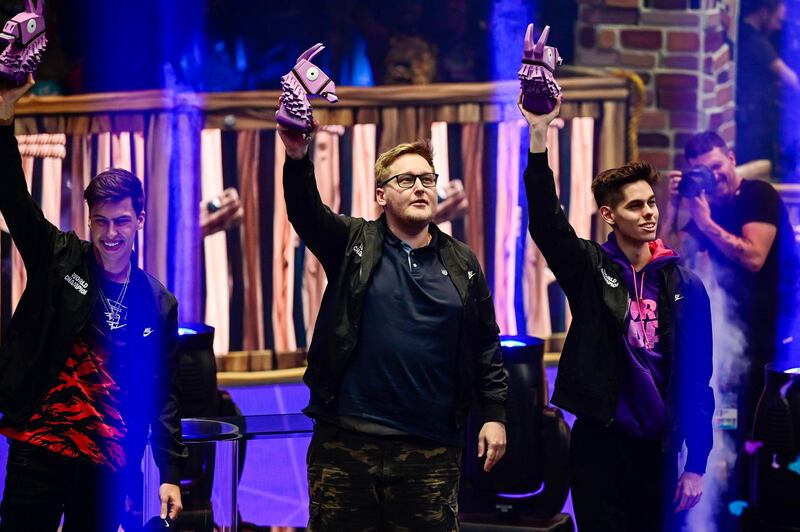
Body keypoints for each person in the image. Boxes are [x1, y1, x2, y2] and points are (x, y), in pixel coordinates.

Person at [278, 122, 508, 531]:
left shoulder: (462, 262)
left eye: (428, 179)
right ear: (381, 195)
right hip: (347, 442)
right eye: (406, 179)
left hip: (431, 448)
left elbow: (485, 344)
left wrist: (495, 413)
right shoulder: (353, 243)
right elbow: (305, 212)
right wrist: (297, 155)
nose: (421, 187)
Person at [0, 77, 186, 530]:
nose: (110, 234)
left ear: (140, 219)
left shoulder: (158, 302)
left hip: (109, 465)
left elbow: (162, 392)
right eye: (100, 221)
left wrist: (170, 473)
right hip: (40, 448)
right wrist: (5, 109)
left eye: (122, 221)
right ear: (88, 219)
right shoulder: (58, 256)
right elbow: (11, 195)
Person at [521, 96, 714, 531]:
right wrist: (539, 132)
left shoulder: (685, 284)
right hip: (601, 442)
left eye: (651, 203)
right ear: (609, 215)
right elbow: (547, 225)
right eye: (635, 206)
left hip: (660, 448)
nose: (649, 213)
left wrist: (696, 463)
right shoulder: (591, 269)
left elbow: (698, 379)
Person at [736, 0, 800, 168]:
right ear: (764, 12)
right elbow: (790, 78)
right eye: (777, 20)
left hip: (755, 121)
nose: (778, 27)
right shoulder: (752, 39)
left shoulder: (748, 35)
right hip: (752, 125)